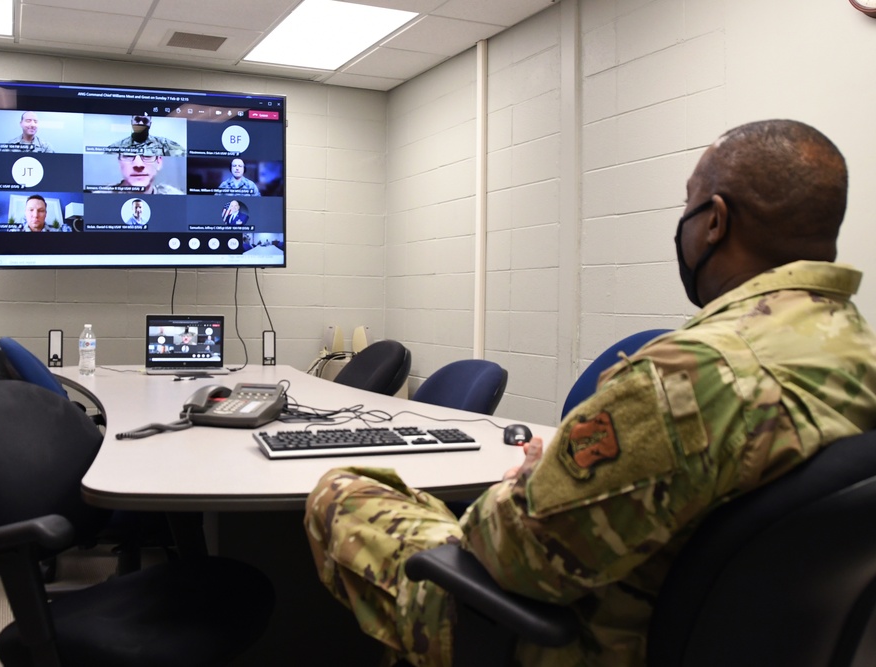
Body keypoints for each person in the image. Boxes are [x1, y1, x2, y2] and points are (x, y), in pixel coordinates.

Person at [304, 119, 876, 667]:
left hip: (583, 640)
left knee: (344, 491)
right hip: (741, 636)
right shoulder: (856, 353)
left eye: (687, 205)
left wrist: (529, 482)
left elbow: (508, 553)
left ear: (715, 221)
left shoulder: (693, 373)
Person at [105, 113, 184, 156]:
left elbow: (184, 157)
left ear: (150, 124)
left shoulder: (163, 143)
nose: (141, 123)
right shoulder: (117, 146)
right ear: (131, 122)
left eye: (145, 120)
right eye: (137, 119)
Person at [112, 154, 182, 195]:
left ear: (159, 162)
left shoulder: (177, 197)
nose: (138, 165)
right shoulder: (102, 196)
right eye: (129, 155)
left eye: (147, 155)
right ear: (119, 163)